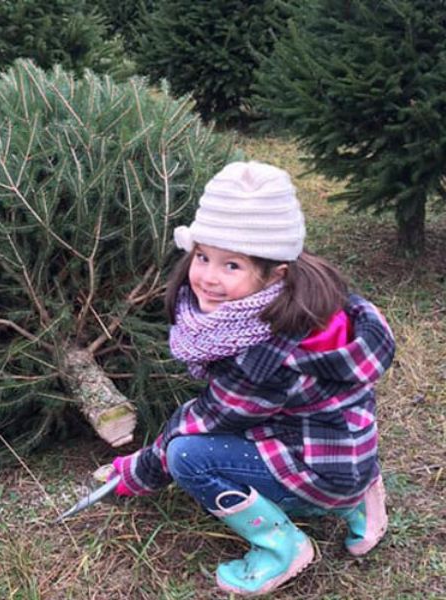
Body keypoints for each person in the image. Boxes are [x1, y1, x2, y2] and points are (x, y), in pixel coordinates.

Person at [105, 161, 395, 595]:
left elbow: (207, 419)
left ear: (274, 273)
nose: (208, 277)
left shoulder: (266, 354)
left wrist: (142, 469)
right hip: (348, 449)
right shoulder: (312, 305)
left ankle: (283, 548)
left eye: (232, 266)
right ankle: (359, 498)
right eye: (202, 256)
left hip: (322, 470)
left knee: (186, 455)